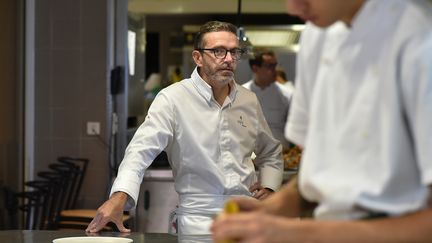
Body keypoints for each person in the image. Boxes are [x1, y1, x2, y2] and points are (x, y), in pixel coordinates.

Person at [211, 0, 432, 242]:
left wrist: (298, 233)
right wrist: (270, 210)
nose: (293, 9)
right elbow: (320, 172)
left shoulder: (419, 38)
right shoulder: (317, 35)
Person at [86, 21, 283, 236]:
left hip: (247, 216)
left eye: (234, 52)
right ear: (198, 57)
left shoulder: (248, 100)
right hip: (197, 221)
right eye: (218, 51)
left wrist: (271, 187)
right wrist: (119, 195)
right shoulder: (172, 99)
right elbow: (140, 151)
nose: (228, 59)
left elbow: (270, 151)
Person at [243, 48, 293, 149]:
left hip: (280, 156)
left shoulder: (288, 95)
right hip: (250, 157)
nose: (275, 70)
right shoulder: (241, 93)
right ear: (255, 68)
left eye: (275, 65)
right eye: (270, 66)